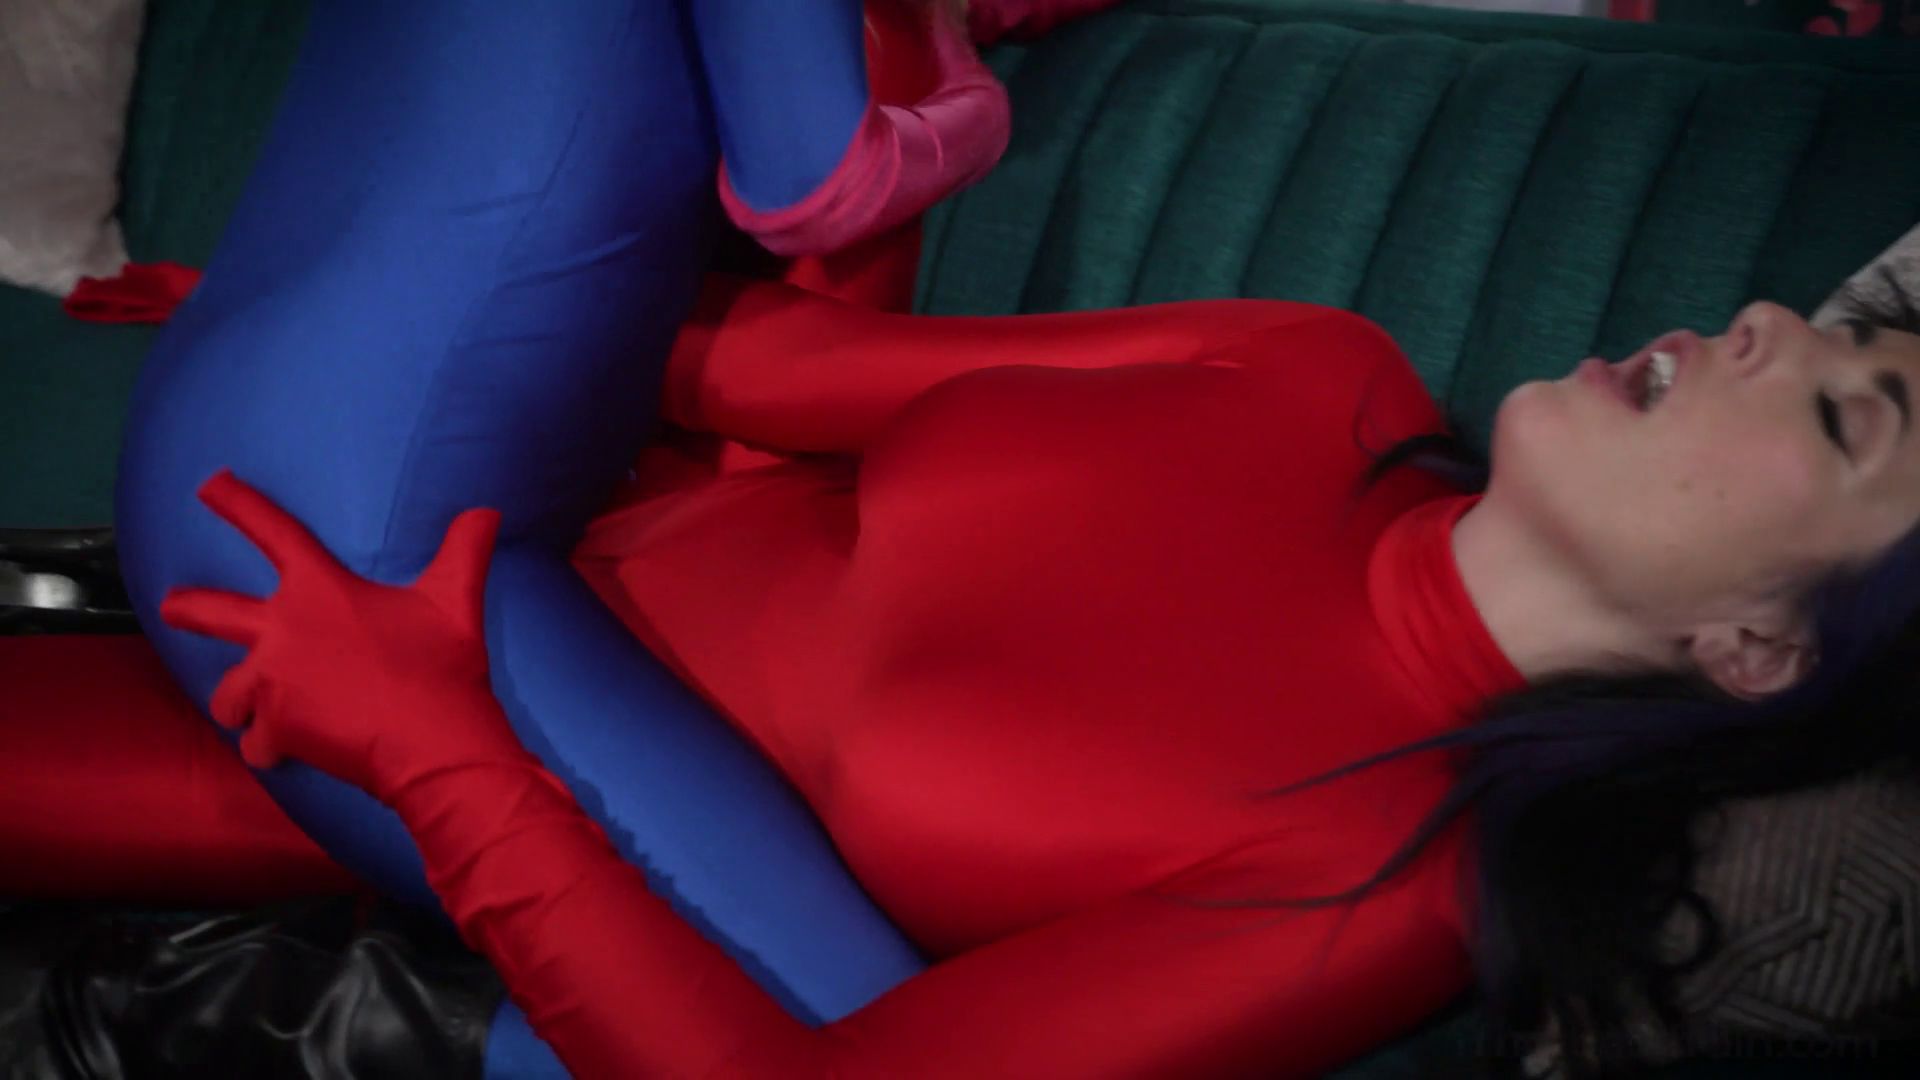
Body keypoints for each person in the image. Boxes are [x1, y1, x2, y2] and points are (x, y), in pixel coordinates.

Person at [143, 275, 1920, 1078]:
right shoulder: (1314, 371)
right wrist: (379, 302)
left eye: (1850, 416)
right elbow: (769, 363)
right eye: (1830, 329)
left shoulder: (1387, 876)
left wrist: (428, 743)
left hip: (418, 755)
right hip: (448, 507)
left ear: (1760, 651)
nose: (1772, 323)